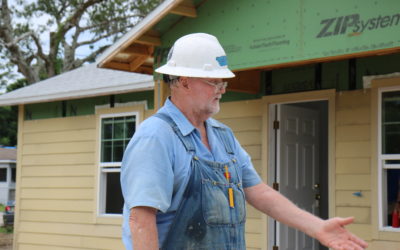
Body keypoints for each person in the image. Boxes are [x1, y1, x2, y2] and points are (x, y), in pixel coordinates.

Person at [120, 33, 368, 250]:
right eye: (214, 81)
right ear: (184, 81)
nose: (222, 89)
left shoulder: (223, 136)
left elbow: (258, 191)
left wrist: (317, 227)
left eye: (223, 82)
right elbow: (141, 220)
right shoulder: (156, 136)